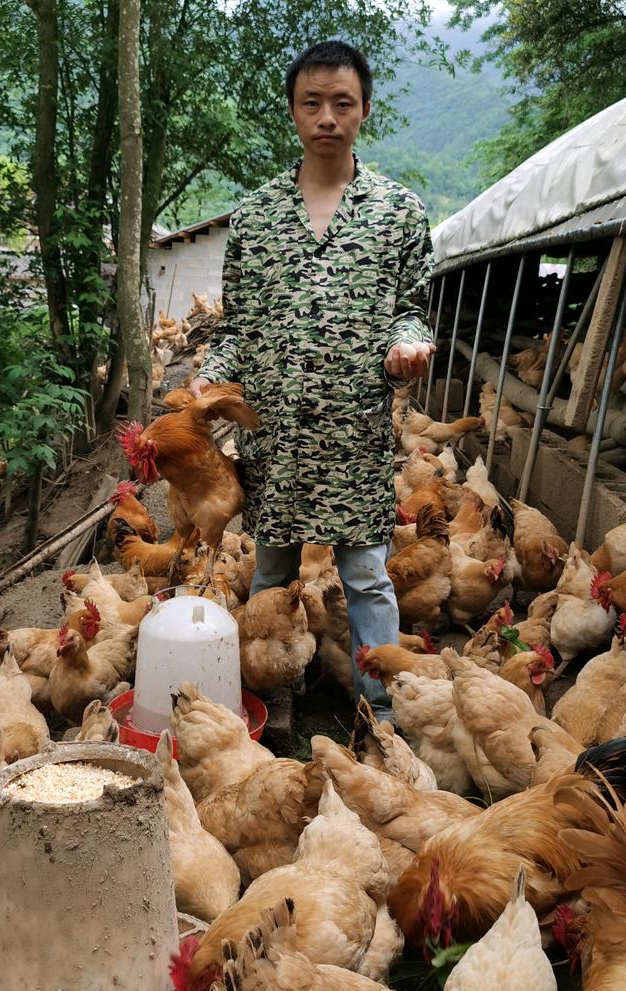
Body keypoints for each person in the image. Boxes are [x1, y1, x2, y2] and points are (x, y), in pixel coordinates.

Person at [192, 40, 435, 717]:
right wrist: (206, 385)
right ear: (294, 113)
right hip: (278, 436)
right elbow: (235, 328)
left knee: (367, 577)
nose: (327, 116)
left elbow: (412, 309)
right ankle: (277, 695)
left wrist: (407, 344)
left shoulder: (398, 213)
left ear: (364, 111)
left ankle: (379, 710)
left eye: (342, 103)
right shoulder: (254, 217)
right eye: (312, 103)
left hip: (354, 433)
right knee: (270, 572)